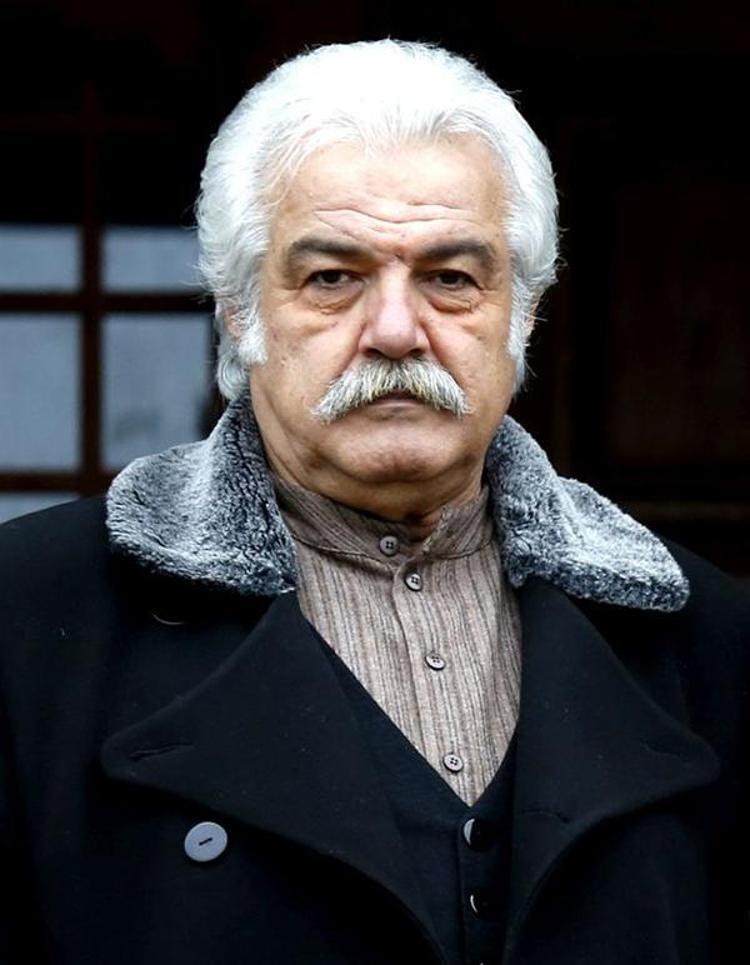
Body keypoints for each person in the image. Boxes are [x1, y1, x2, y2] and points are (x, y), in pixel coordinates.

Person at [0, 39, 748, 965]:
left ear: (522, 311)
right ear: (239, 309)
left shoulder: (704, 641)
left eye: (450, 278)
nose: (396, 330)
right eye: (333, 277)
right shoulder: (27, 623)